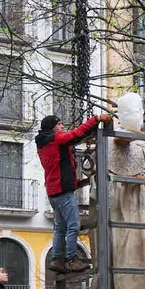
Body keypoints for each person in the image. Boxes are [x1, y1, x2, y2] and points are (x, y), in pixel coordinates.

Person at [36, 112, 112, 274]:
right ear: (52, 128)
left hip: (54, 191)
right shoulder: (56, 139)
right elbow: (76, 135)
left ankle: (57, 259)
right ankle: (71, 259)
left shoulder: (44, 143)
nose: (62, 126)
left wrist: (76, 183)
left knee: (60, 227)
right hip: (63, 191)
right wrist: (95, 119)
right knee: (73, 225)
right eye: (59, 124)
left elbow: (57, 168)